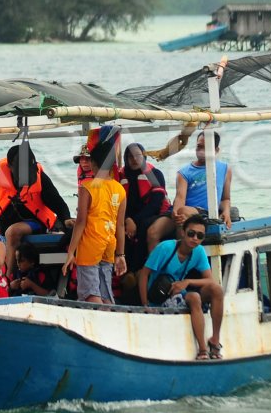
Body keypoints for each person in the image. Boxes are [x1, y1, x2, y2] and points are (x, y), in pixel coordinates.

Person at [0, 135, 74, 274]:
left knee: (12, 232)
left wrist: (66, 218)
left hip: (34, 222)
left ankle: (7, 277)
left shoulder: (41, 177)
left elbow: (57, 202)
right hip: (4, 221)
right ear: (10, 167)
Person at [138, 214, 225, 360]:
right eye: (191, 234)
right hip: (159, 295)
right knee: (195, 297)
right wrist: (145, 304)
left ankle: (215, 340)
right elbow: (144, 274)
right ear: (183, 233)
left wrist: (188, 282)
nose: (195, 238)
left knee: (216, 290)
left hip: (178, 292)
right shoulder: (165, 248)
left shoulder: (198, 251)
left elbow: (210, 280)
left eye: (200, 235)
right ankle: (202, 349)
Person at [63, 142, 127, 304]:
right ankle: (111, 320)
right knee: (105, 293)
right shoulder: (119, 189)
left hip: (91, 244)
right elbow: (120, 225)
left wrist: (71, 252)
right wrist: (121, 254)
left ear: (93, 163)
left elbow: (81, 222)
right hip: (109, 244)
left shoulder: (87, 187)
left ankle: (100, 324)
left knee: (90, 294)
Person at [119, 142, 176, 270]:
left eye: (138, 156)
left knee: (144, 226)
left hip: (156, 214)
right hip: (128, 217)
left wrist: (134, 221)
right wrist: (127, 219)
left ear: (144, 157)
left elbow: (155, 204)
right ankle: (122, 273)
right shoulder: (120, 177)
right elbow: (117, 204)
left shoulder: (155, 174)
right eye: (130, 156)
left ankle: (136, 269)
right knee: (119, 229)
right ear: (126, 159)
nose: (134, 160)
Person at [172, 132, 233, 229]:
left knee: (183, 212)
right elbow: (180, 198)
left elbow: (225, 198)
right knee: (154, 230)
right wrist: (176, 213)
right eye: (199, 147)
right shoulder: (184, 173)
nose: (202, 151)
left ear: (216, 150)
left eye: (207, 148)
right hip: (191, 211)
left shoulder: (225, 169)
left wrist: (226, 212)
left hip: (209, 212)